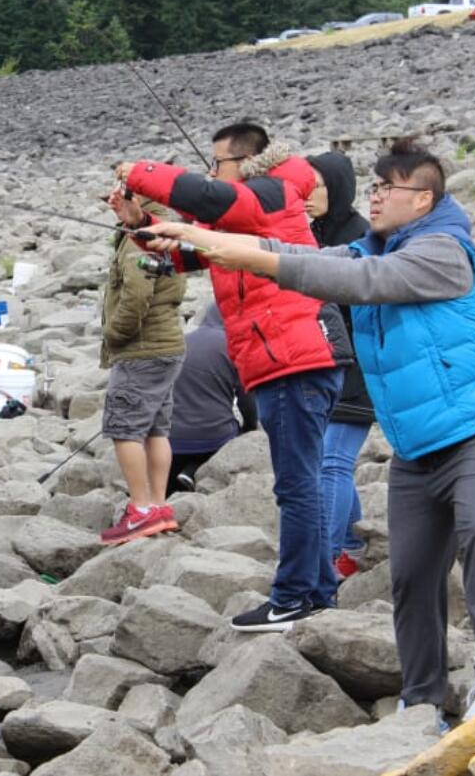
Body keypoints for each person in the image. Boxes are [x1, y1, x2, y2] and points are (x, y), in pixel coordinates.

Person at [159, 139, 475, 727]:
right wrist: (188, 238)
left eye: (386, 189)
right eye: (372, 187)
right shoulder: (375, 244)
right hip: (414, 445)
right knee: (410, 575)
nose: (373, 197)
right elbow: (293, 249)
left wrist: (237, 250)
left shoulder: (443, 251)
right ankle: (423, 697)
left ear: (423, 198)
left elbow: (357, 280)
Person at [113, 121, 353, 632]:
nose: (212, 173)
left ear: (244, 162)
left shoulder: (268, 192)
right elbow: (189, 253)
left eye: (218, 163)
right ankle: (317, 592)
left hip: (294, 358)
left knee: (296, 484)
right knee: (301, 478)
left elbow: (207, 197)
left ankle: (292, 597)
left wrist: (139, 172)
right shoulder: (256, 205)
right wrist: (139, 226)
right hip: (288, 358)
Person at [306, 151, 378, 584]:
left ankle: (324, 564)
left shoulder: (360, 239)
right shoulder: (313, 232)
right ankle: (351, 547)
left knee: (331, 462)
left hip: (358, 366)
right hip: (324, 364)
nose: (307, 194)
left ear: (339, 188)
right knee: (326, 460)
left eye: (317, 185)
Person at [95, 219, 186, 545]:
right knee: (156, 428)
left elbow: (136, 293)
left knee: (124, 429)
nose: (112, 202)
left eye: (120, 194)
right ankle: (159, 506)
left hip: (142, 350)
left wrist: (113, 333)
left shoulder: (139, 240)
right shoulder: (170, 229)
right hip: (167, 346)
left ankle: (141, 509)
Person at [167, 304, 257, 497]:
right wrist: (250, 427)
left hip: (171, 438)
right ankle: (193, 470)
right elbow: (246, 400)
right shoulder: (236, 348)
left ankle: (174, 485)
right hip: (213, 438)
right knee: (231, 433)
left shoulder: (182, 341)